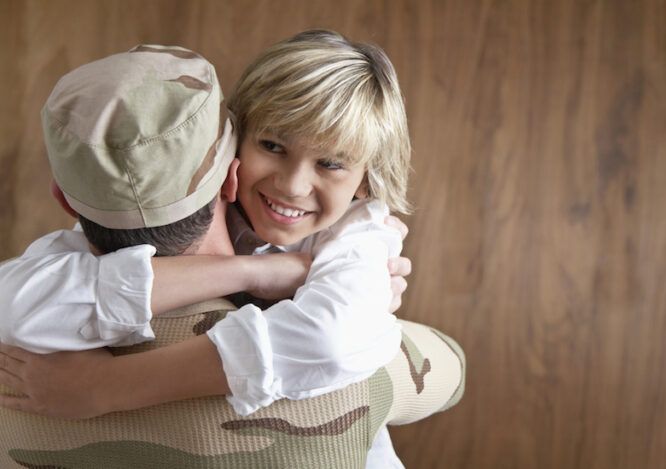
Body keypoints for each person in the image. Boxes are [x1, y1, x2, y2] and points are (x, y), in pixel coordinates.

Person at [0, 33, 464, 468]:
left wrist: (105, 387)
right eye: (272, 145)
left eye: (331, 163)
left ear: (366, 180)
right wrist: (250, 272)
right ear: (231, 154)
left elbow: (331, 340)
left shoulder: (359, 235)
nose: (293, 184)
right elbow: (13, 301)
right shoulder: (107, 250)